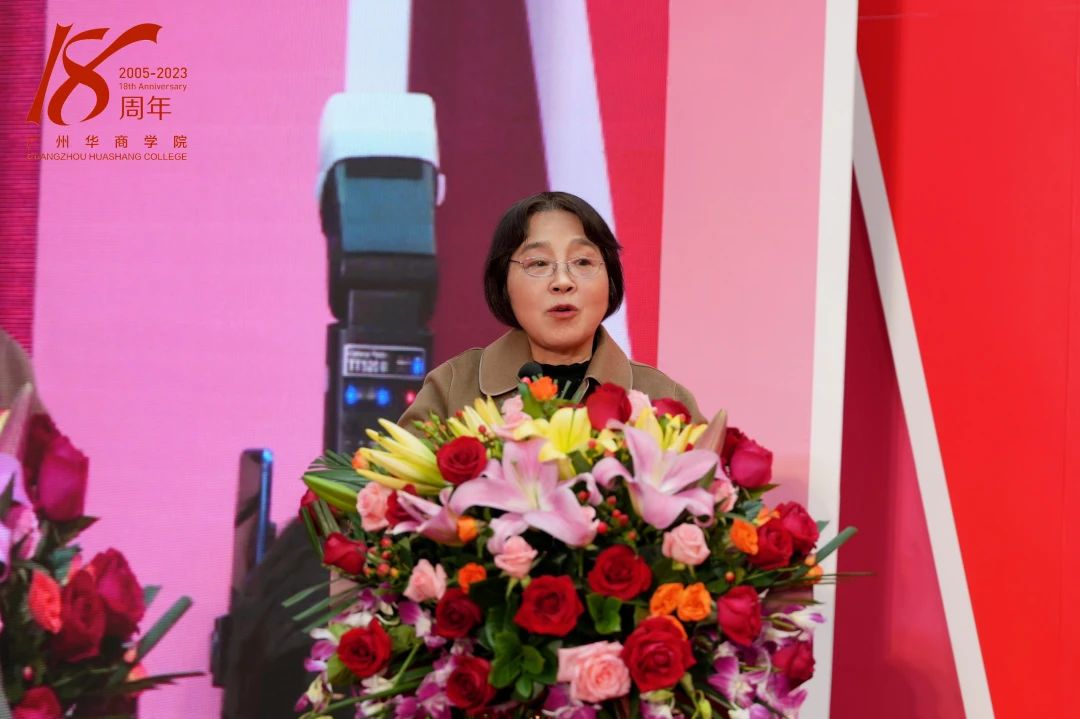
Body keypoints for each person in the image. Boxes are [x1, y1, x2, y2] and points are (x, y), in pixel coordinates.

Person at [398, 191, 704, 431]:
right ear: (503, 283)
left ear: (610, 279)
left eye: (582, 262)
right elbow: (393, 490)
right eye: (538, 263)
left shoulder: (663, 399)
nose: (562, 282)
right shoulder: (453, 388)